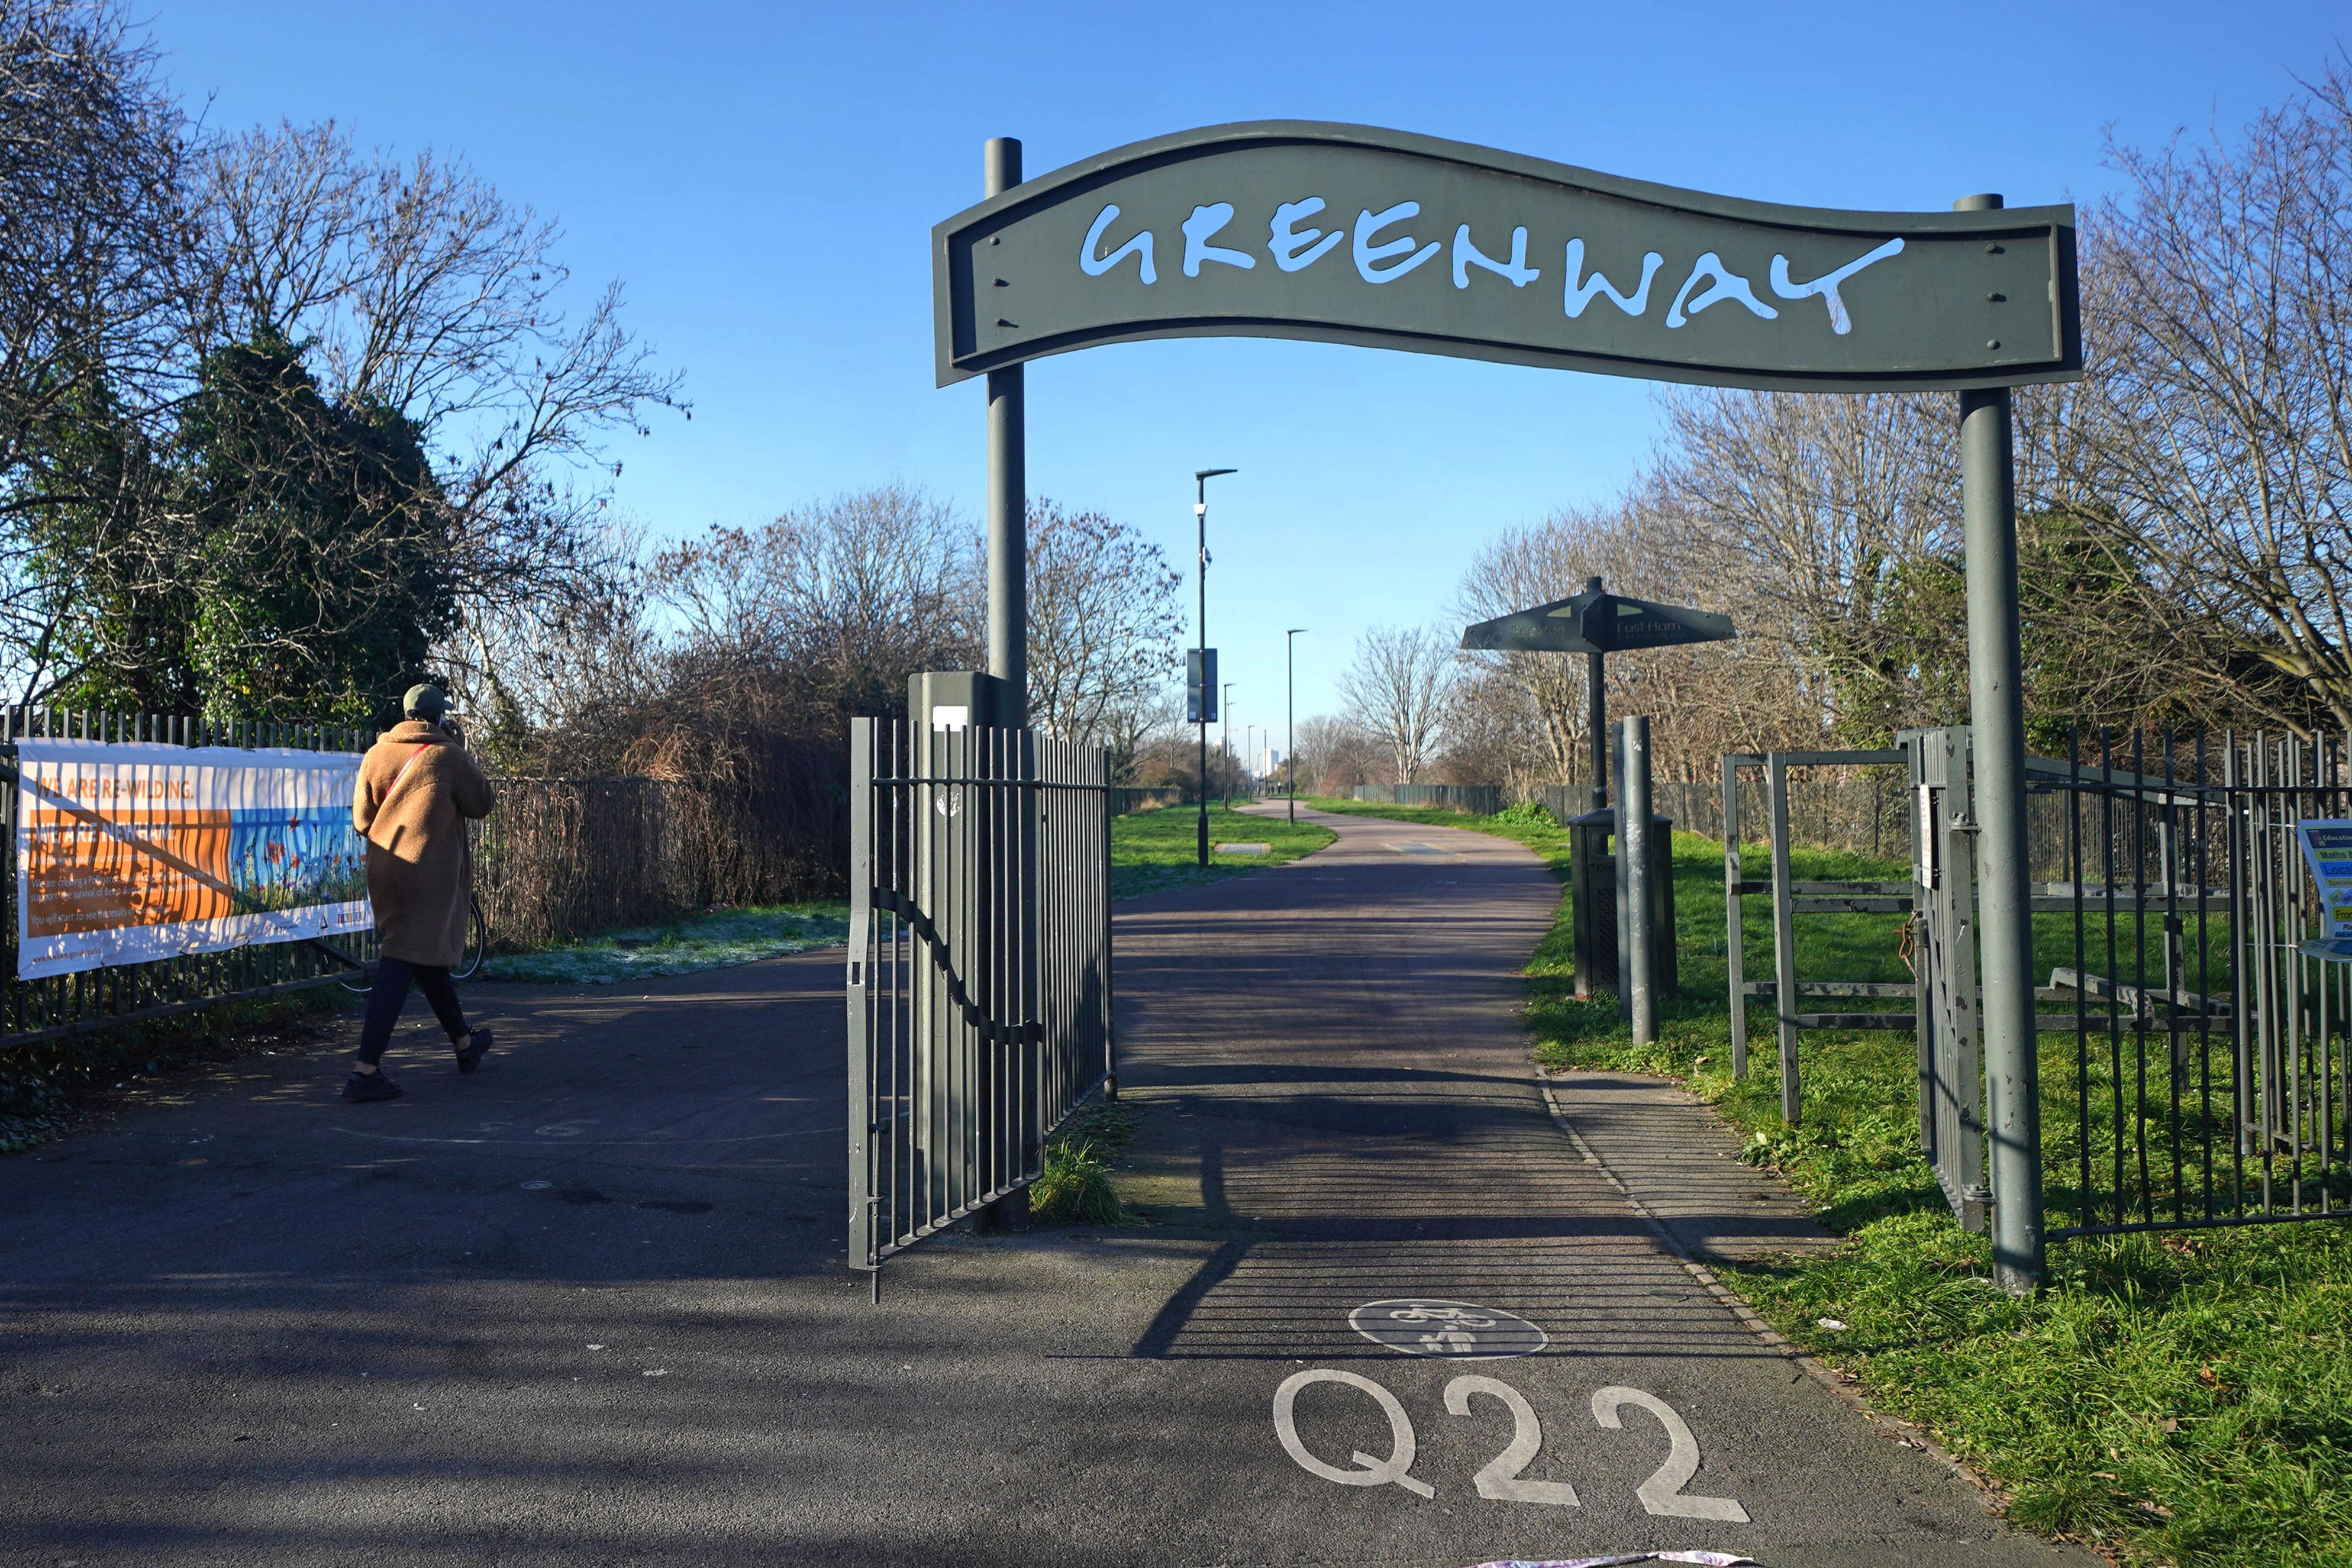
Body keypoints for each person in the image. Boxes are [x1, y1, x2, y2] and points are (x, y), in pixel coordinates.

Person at [344, 683, 496, 1102]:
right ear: (439, 717)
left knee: (424, 959)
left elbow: (361, 819)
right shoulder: (448, 755)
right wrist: (460, 750)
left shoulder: (377, 754)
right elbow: (483, 802)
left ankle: (465, 1045)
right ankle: (364, 1071)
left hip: (385, 867)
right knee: (400, 959)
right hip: (427, 876)